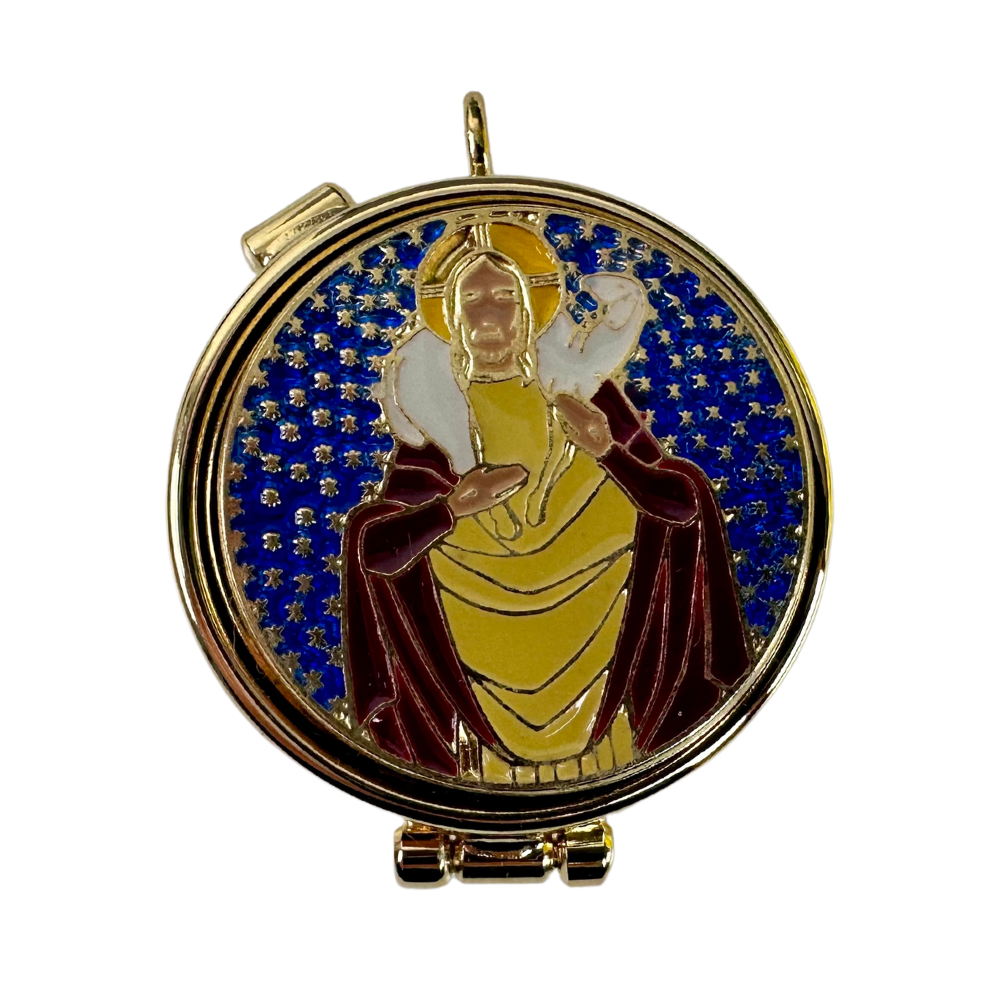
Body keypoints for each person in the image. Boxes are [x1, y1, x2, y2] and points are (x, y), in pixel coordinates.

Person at [343, 222, 749, 782]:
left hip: (606, 662)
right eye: (473, 300)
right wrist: (453, 509)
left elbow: (683, 507)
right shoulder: (435, 422)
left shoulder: (584, 400)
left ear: (532, 311)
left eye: (505, 298)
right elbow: (375, 551)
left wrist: (608, 453)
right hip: (481, 677)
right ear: (451, 318)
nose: (490, 317)